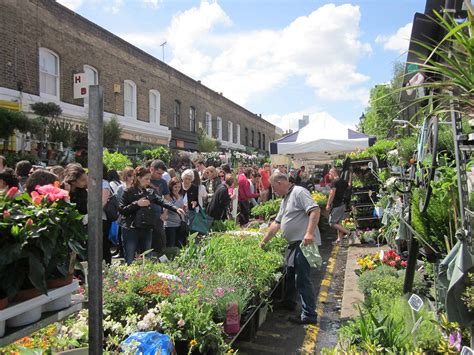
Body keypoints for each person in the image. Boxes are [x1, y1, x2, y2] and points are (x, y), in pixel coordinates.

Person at [259, 171, 320, 325]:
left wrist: (309, 233)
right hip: (294, 244)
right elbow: (276, 223)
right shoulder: (286, 198)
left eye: (273, 188)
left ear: (280, 183)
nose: (274, 192)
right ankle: (289, 302)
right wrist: (263, 241)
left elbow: (315, 210)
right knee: (291, 274)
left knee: (302, 279)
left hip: (303, 243)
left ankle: (309, 314)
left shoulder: (299, 192)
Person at [118, 167, 185, 264]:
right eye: (146, 179)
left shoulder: (150, 192)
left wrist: (175, 208)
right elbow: (121, 210)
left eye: (149, 179)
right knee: (130, 258)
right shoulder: (128, 191)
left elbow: (162, 201)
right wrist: (137, 204)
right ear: (138, 178)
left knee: (146, 258)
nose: (148, 181)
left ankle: (144, 277)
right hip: (131, 228)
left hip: (146, 227)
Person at [326, 167, 353, 244]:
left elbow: (332, 193)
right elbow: (349, 185)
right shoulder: (343, 181)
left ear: (334, 173)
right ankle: (339, 239)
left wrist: (328, 204)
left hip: (336, 204)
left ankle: (349, 233)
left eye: (330, 173)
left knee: (332, 223)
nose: (329, 175)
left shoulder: (334, 182)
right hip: (342, 204)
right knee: (339, 223)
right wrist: (350, 176)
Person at [149, 159, 171, 255]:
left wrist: (165, 212)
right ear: (151, 169)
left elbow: (167, 199)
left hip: (158, 216)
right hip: (144, 216)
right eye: (158, 173)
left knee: (160, 240)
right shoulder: (144, 179)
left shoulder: (163, 182)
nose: (160, 176)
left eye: (162, 174)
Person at [164, 177, 187, 247]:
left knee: (179, 244)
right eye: (175, 187)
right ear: (171, 187)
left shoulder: (180, 195)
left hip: (179, 223)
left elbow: (181, 207)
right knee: (171, 244)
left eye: (179, 187)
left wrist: (184, 207)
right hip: (170, 224)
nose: (177, 189)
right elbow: (167, 208)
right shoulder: (168, 197)